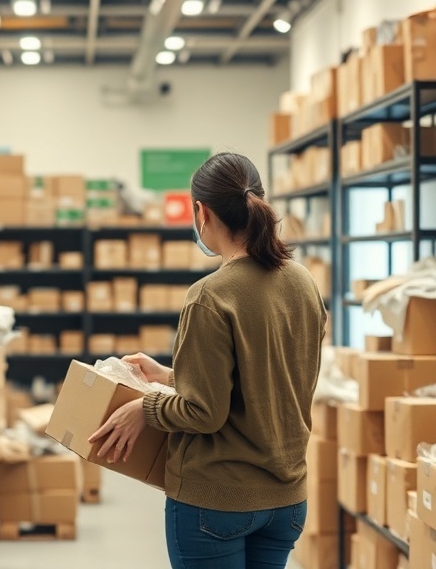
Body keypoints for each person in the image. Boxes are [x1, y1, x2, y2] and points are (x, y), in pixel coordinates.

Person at [90, 152, 327, 569]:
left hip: (218, 503)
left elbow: (204, 413)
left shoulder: (211, 295)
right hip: (286, 500)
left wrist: (143, 408)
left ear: (201, 212)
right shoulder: (303, 281)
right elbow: (267, 378)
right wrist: (170, 375)